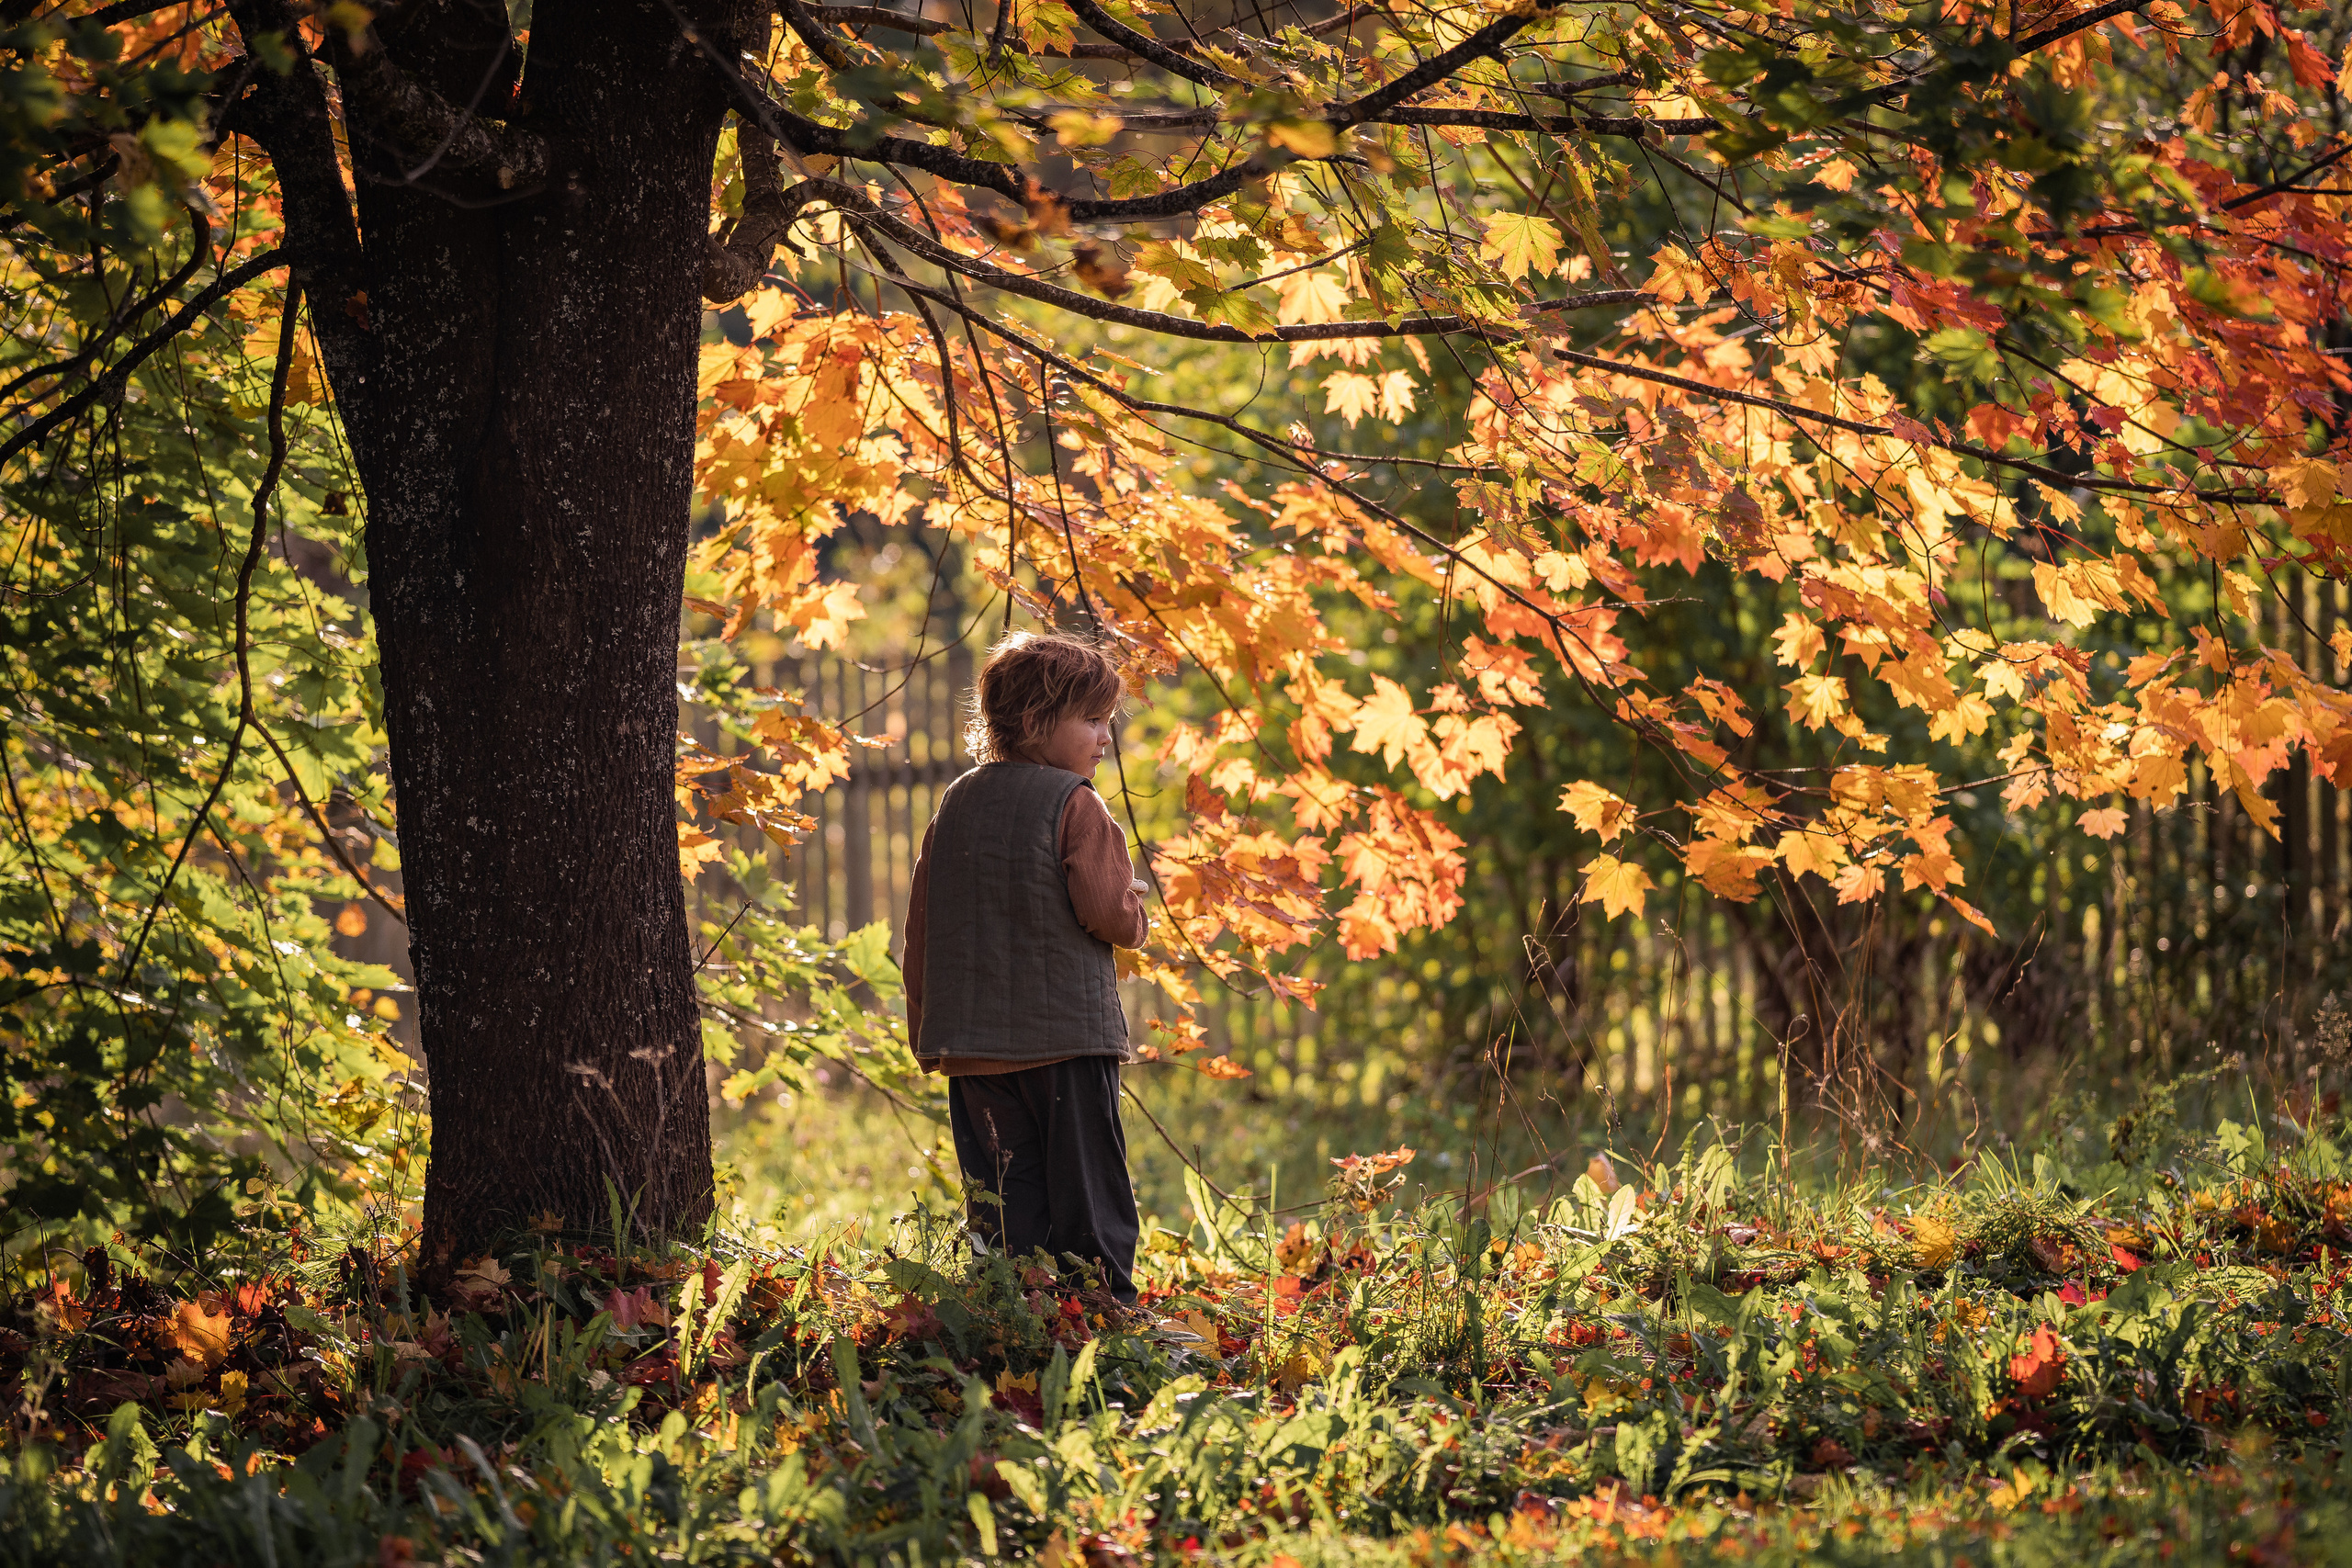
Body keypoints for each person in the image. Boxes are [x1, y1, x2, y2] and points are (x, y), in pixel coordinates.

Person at [901, 630, 1148, 1303]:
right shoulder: (1075, 803)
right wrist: (1134, 911)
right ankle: (1103, 1316)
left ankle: (1012, 1314)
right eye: (1092, 720)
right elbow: (1105, 911)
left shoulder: (954, 804)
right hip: (1065, 1041)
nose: (1105, 738)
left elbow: (923, 927)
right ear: (1038, 721)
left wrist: (929, 1028)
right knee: (1087, 1191)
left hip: (975, 1051)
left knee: (1004, 1199)